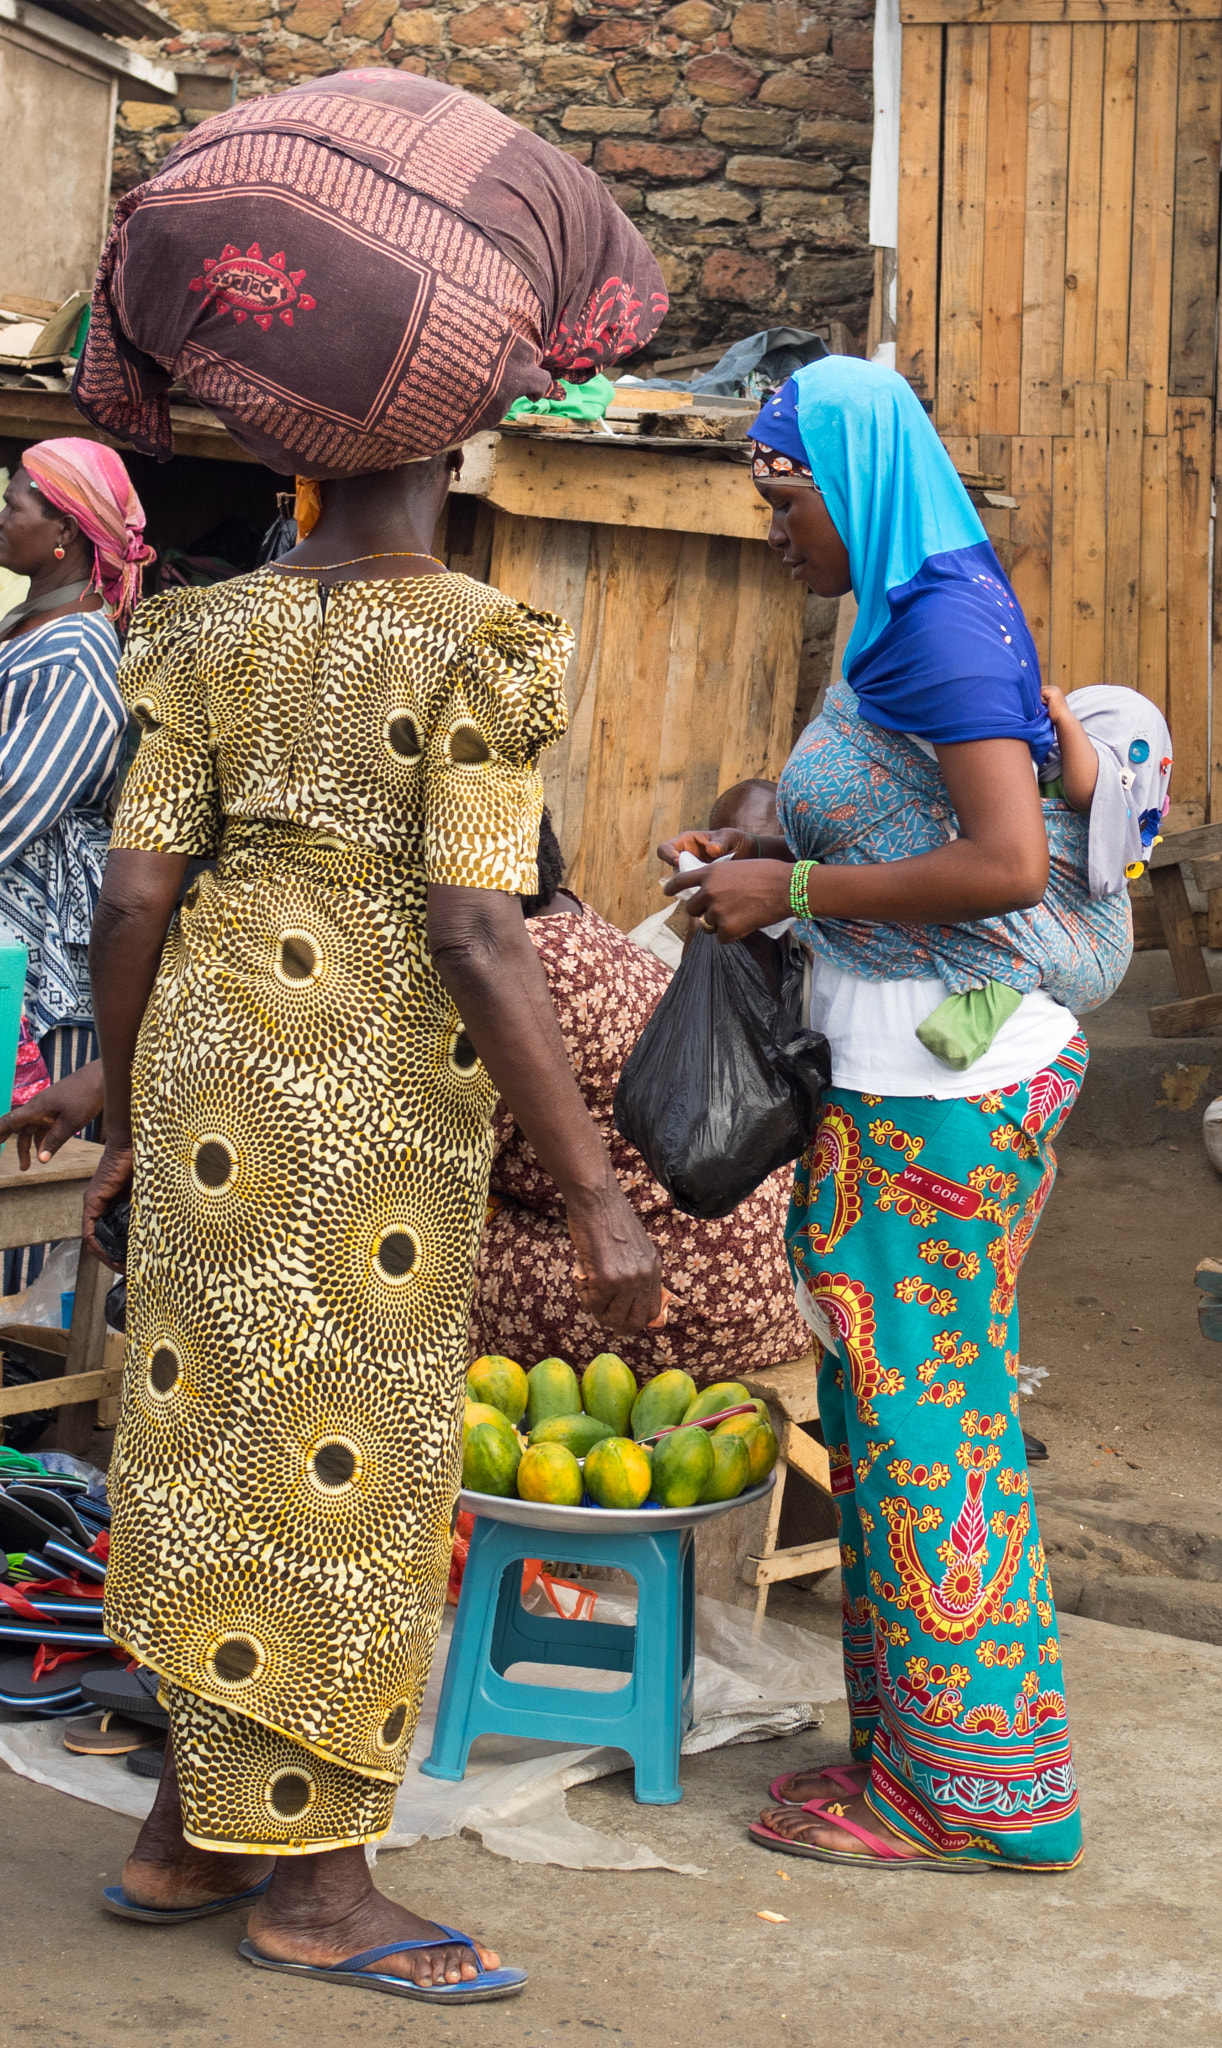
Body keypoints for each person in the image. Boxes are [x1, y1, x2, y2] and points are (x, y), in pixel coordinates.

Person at [75, 72, 666, 2005]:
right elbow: (479, 928)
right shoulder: (473, 644)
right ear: (466, 432)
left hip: (212, 1072)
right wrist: (592, 1188)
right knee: (341, 1453)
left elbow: (136, 894)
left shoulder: (205, 631)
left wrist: (123, 1096)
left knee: (195, 1423)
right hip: (351, 1107)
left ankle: (180, 1830)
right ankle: (316, 1881)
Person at [659, 357, 1118, 1875]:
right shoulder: (903, 606)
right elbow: (897, 812)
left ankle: (982, 1796)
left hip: (950, 1081)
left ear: (846, 481)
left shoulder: (934, 628)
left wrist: (783, 890)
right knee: (892, 1409)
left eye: (780, 492)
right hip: (917, 1061)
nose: (769, 519)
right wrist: (748, 835)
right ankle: (924, 1765)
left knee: (925, 1423)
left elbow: (995, 866)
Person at [472, 800, 809, 1382]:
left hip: (687, 1301)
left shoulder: (511, 971)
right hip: (781, 1276)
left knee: (398, 1269)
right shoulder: (576, 922)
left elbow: (440, 1169)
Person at [916, 683, 1172, 1071]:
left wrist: (1066, 720)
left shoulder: (1097, 810)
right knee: (1011, 939)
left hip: (1096, 946)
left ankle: (966, 1028)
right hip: (1068, 944)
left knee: (1021, 956)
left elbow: (1089, 789)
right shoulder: (1037, 782)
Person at [0, 441, 148, 1088]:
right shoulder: (36, 623)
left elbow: (15, 799)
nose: (2, 517)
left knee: (32, 1155)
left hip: (37, 939)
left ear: (64, 528)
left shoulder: (78, 654)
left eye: (13, 506)